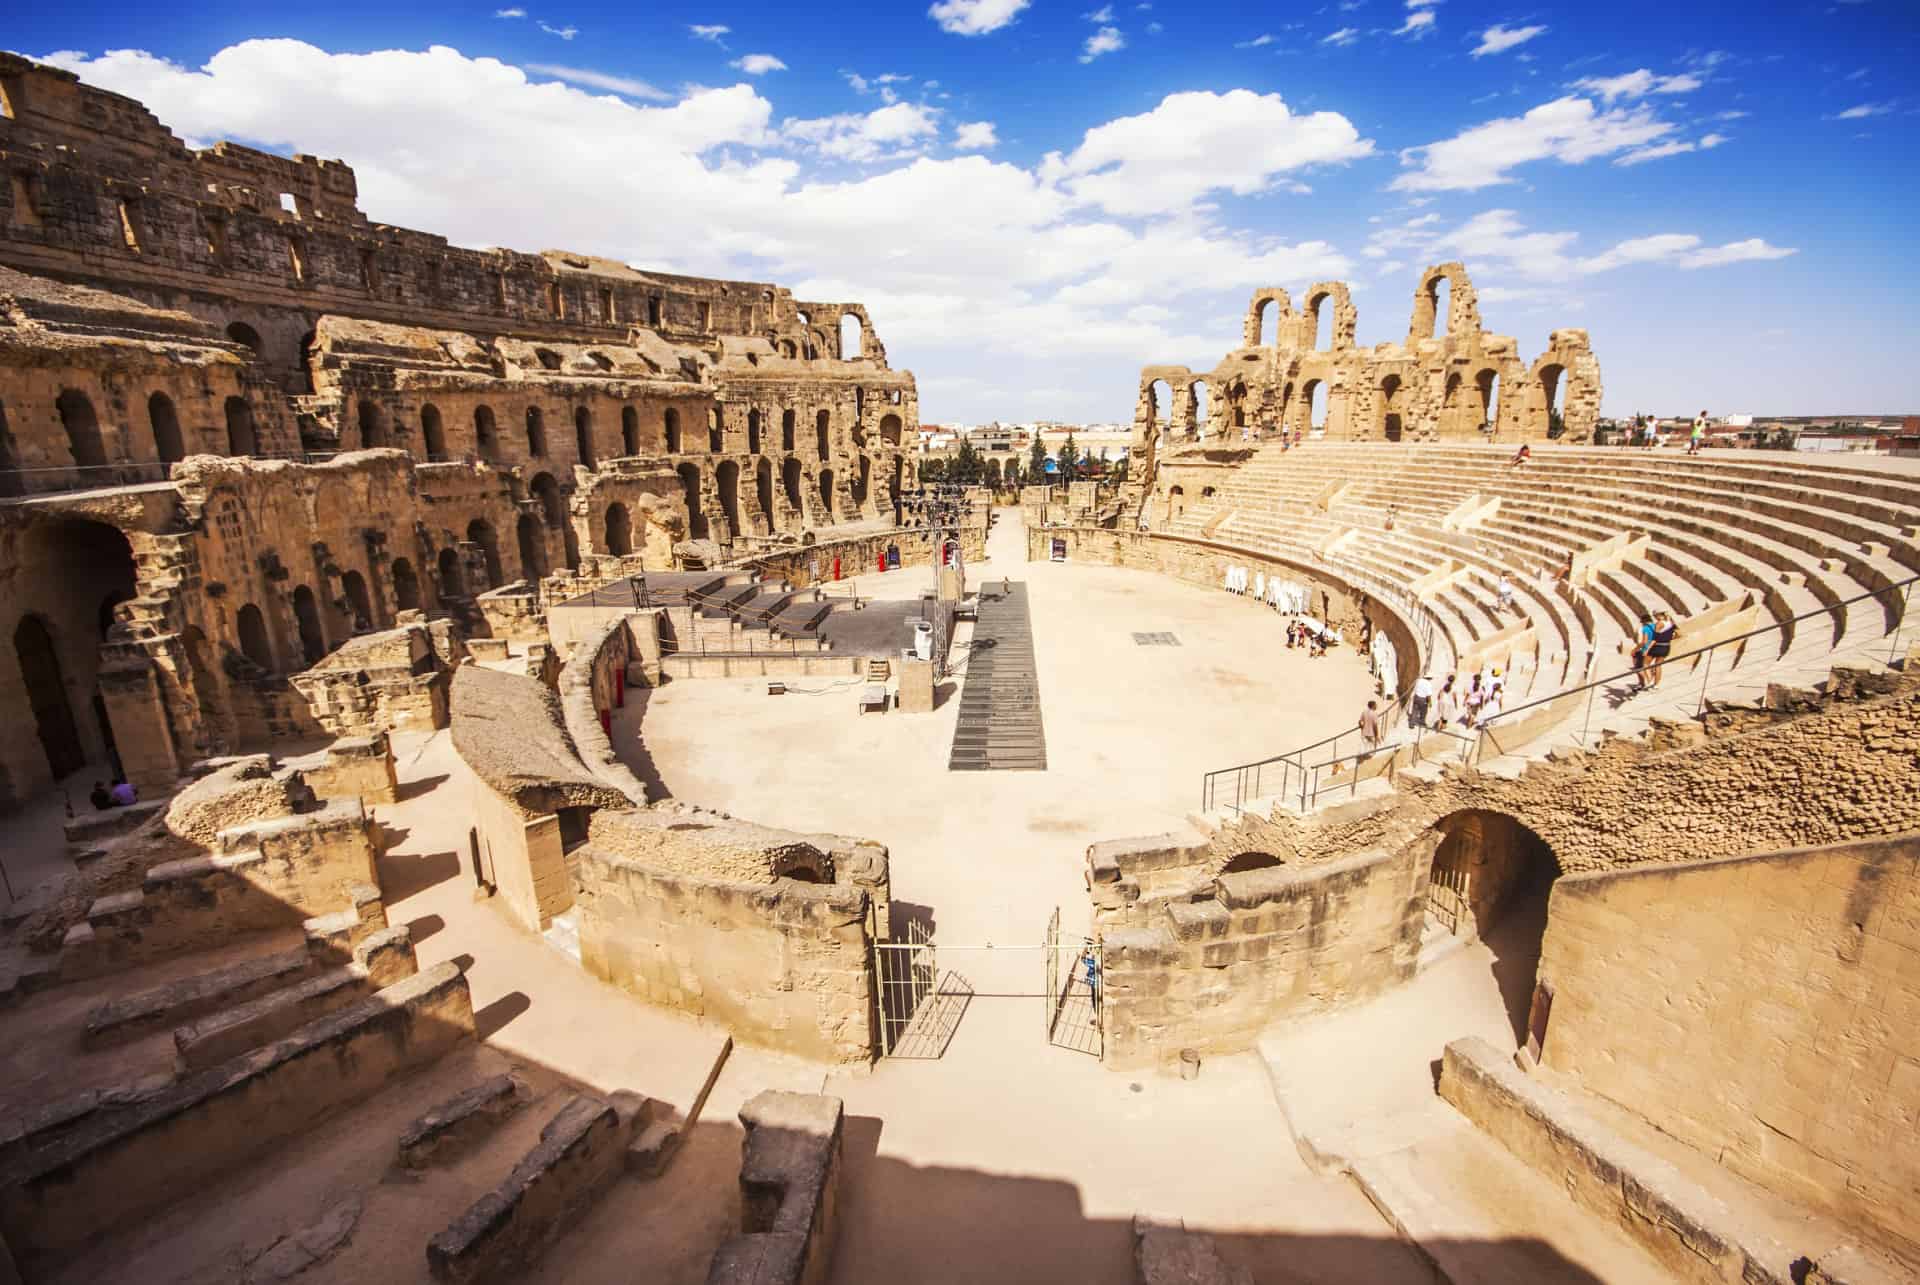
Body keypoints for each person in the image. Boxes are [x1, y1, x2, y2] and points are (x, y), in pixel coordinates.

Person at [1646, 611, 1679, 688]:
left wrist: (1647, 648)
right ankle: (1656, 685)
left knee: (1645, 663)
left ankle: (1649, 680)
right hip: (1666, 646)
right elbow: (1679, 634)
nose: (1654, 617)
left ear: (1658, 615)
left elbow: (1655, 638)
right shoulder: (1671, 623)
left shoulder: (1659, 624)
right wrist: (1668, 638)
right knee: (1658, 665)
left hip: (1657, 646)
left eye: (1654, 616)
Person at [1631, 613, 1656, 689]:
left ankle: (1644, 683)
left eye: (1642, 622)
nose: (1642, 624)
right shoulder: (1655, 626)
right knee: (1648, 666)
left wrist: (1635, 650)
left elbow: (1644, 642)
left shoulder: (1645, 628)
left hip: (1645, 649)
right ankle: (1649, 682)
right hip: (1655, 648)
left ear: (1644, 621)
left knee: (1638, 667)